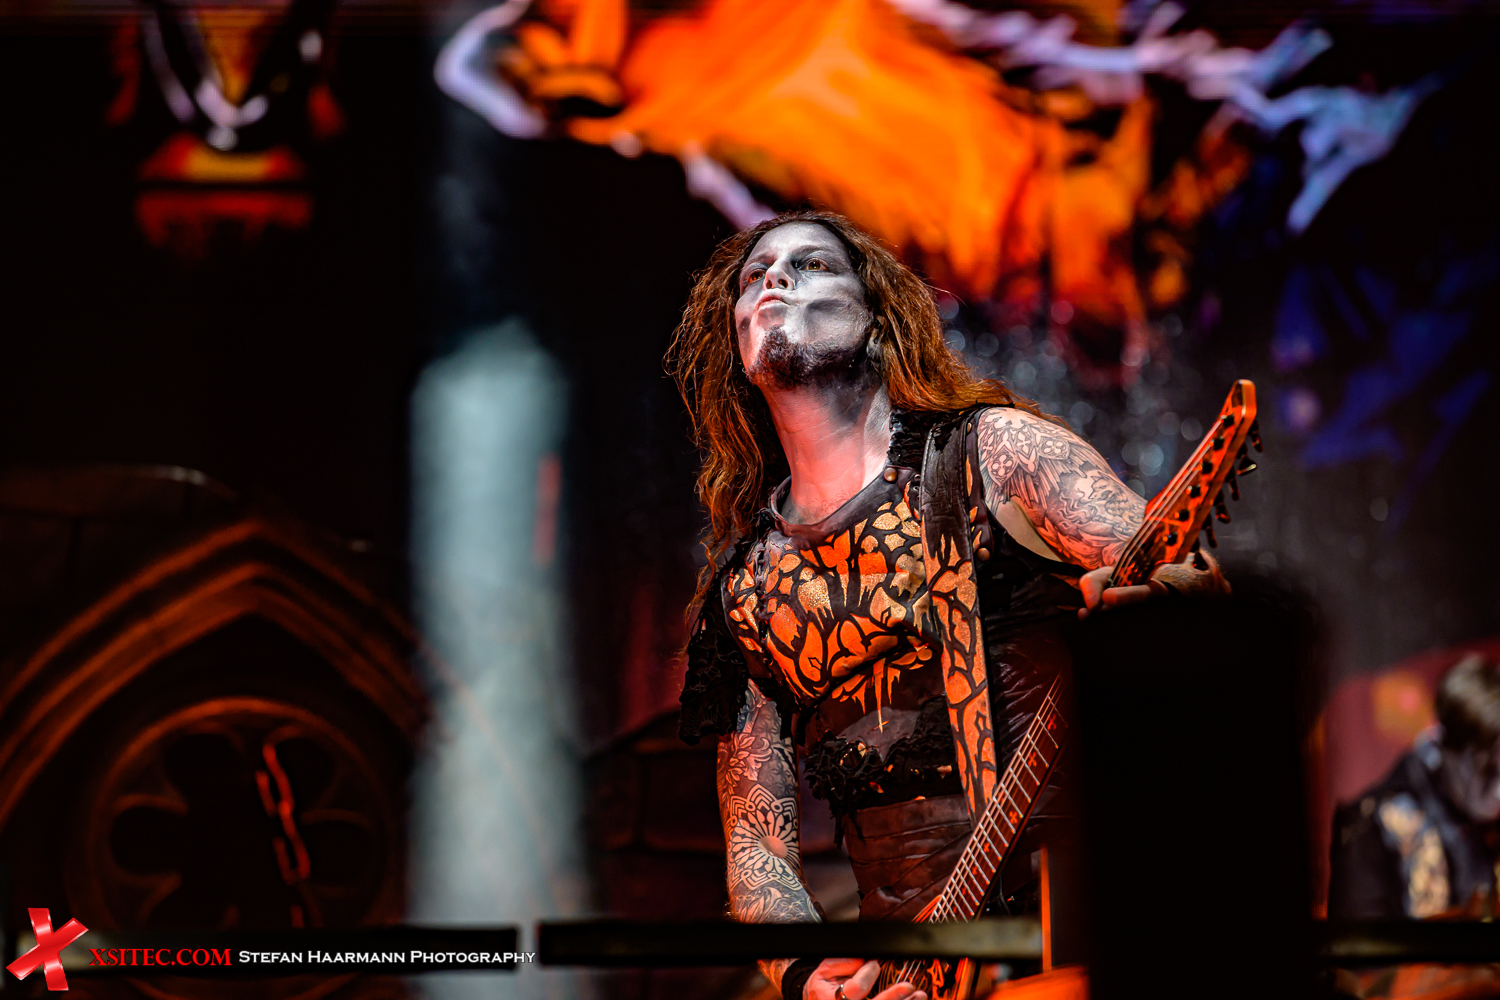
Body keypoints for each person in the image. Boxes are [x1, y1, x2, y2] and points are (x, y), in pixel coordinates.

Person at [668, 211, 1227, 1000]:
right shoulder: (748, 590)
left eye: (811, 265)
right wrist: (806, 975)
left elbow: (1186, 575)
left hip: (1081, 935)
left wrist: (1162, 605)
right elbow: (758, 841)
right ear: (737, 344)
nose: (775, 280)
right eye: (754, 276)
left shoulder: (995, 453)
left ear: (877, 315)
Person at [1330, 653, 1500, 920]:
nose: (1499, 791)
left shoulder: (1486, 818)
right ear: (1443, 746)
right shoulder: (1369, 828)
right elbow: (1359, 945)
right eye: (1487, 771)